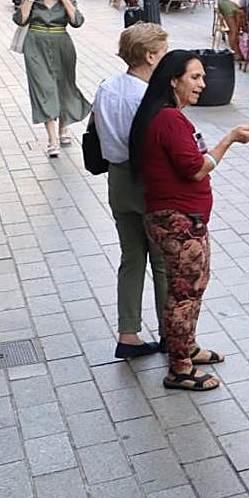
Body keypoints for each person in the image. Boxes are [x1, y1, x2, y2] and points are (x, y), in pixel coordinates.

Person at [129, 51, 249, 391]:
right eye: (195, 77)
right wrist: (229, 139)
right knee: (184, 292)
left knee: (193, 286)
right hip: (179, 221)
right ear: (173, 79)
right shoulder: (169, 119)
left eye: (203, 77)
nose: (203, 84)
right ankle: (180, 368)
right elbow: (195, 168)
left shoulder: (166, 117)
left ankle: (186, 347)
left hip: (186, 219)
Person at [92, 23, 170, 359]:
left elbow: (93, 127)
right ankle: (171, 333)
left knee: (131, 257)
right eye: (164, 53)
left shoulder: (107, 86)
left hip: (117, 178)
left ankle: (129, 332)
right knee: (163, 261)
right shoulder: (151, 97)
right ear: (151, 56)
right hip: (148, 182)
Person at [13, 0, 91, 157]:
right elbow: (20, 19)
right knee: (44, 88)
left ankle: (64, 128)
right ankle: (52, 139)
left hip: (61, 44)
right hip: (35, 45)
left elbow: (77, 22)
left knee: (64, 86)